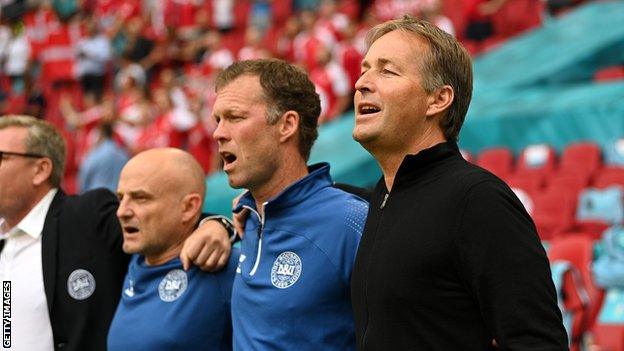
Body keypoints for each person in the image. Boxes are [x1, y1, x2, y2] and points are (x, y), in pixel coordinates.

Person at [349, 16, 569, 349]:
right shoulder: (383, 196)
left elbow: (538, 343)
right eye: (365, 69)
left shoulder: (478, 200)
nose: (361, 82)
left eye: (387, 70)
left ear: (438, 100)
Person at [0, 115, 231, 351]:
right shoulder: (5, 241)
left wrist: (219, 225)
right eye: (122, 199)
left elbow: (167, 222)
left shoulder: (87, 216)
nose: (124, 210)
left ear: (40, 169)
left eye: (1, 157)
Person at [212, 59, 368, 350]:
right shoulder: (248, 220)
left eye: (234, 117)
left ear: (287, 125)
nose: (218, 133)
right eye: (217, 120)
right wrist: (214, 224)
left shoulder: (350, 222)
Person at [108, 148, 237, 351]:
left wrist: (223, 227)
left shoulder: (225, 267)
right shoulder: (126, 256)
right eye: (121, 197)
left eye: (140, 198)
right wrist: (220, 223)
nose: (121, 211)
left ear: (188, 208)